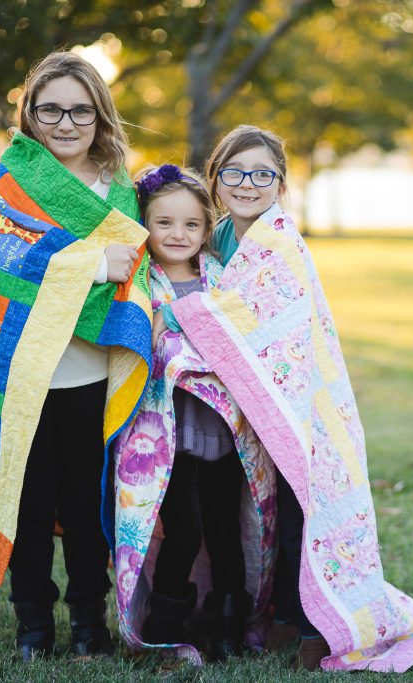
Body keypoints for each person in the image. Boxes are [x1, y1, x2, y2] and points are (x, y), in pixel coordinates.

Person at [167, 125, 413, 672]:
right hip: (238, 409)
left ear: (280, 183)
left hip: (302, 405)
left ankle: (313, 628)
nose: (248, 184)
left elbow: (257, 322)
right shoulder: (212, 237)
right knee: (247, 516)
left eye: (262, 174)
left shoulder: (282, 242)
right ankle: (251, 612)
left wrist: (186, 318)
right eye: (235, 172)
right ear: (216, 177)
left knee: (301, 516)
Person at [0, 51, 154, 663]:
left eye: (80, 109)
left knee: (84, 508)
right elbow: (4, 259)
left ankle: (88, 623)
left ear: (100, 116)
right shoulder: (12, 180)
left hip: (91, 375)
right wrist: (90, 264)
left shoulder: (118, 188)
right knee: (26, 507)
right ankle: (32, 625)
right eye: (50, 108)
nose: (66, 121)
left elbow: (138, 271)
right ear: (30, 115)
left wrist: (110, 270)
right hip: (20, 375)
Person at [134, 164, 251, 660]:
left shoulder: (220, 280)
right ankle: (164, 626)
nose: (177, 234)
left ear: (207, 228)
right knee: (181, 529)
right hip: (165, 437)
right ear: (145, 224)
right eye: (164, 223)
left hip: (221, 431)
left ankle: (227, 626)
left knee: (226, 528)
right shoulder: (141, 282)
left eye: (190, 224)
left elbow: (240, 339)